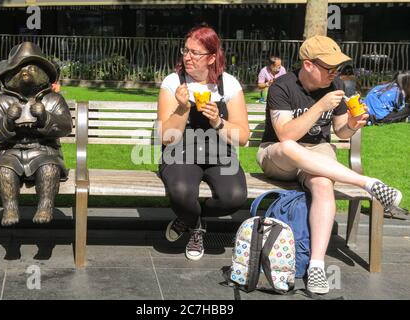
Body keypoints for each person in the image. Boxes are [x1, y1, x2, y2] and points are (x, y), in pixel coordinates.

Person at [257, 35, 403, 294]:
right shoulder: (282, 86)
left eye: (337, 68)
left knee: (323, 184)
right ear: (309, 64)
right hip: (278, 155)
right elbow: (285, 135)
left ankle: (316, 265)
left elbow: (340, 131)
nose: (335, 74)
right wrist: (320, 106)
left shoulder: (335, 84)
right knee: (291, 147)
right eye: (330, 68)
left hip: (317, 151)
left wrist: (352, 125)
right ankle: (367, 183)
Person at [157, 25, 249, 261]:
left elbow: (243, 136)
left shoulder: (228, 84)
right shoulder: (172, 82)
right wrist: (183, 108)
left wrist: (218, 121)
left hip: (219, 154)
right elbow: (166, 136)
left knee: (234, 197)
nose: (187, 57)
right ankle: (196, 226)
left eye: (194, 53)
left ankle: (187, 217)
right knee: (181, 191)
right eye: (185, 50)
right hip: (180, 152)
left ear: (211, 58)